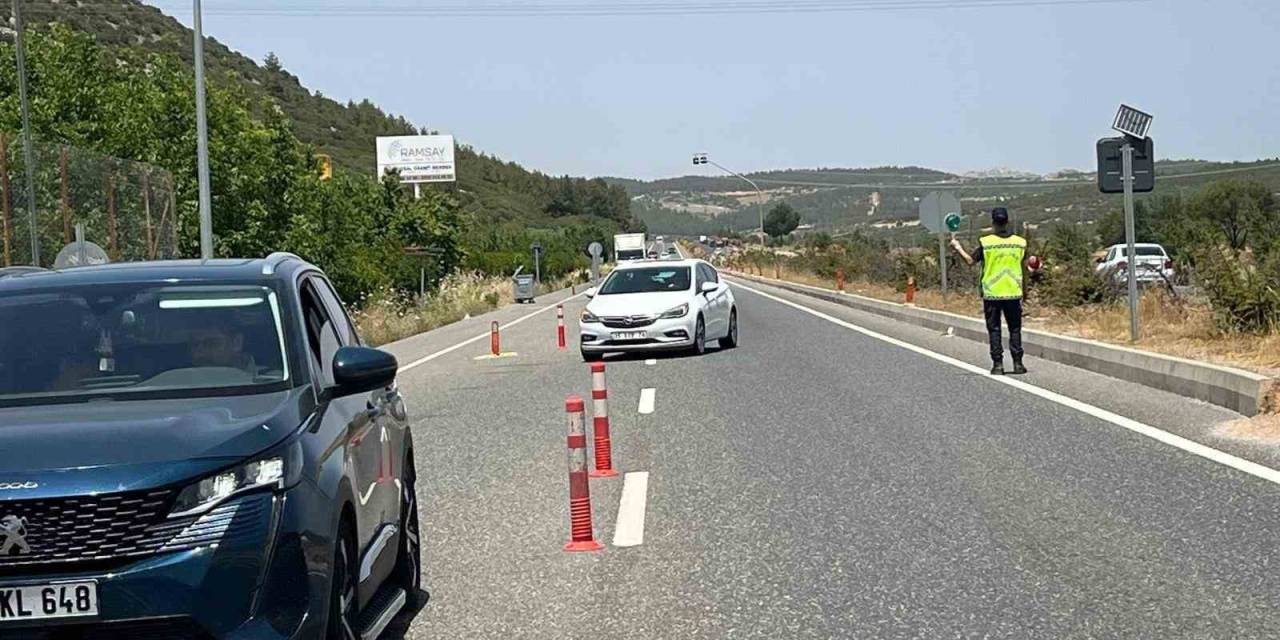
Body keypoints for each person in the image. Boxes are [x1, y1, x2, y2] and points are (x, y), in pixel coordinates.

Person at [950, 207, 1028, 376]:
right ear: (1007, 222)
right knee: (1015, 328)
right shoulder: (1020, 242)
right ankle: (1018, 363)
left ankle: (998, 365)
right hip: (1013, 291)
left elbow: (971, 261)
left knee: (994, 329)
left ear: (993, 223)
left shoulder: (987, 243)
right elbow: (1025, 266)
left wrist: (958, 247)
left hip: (992, 292)